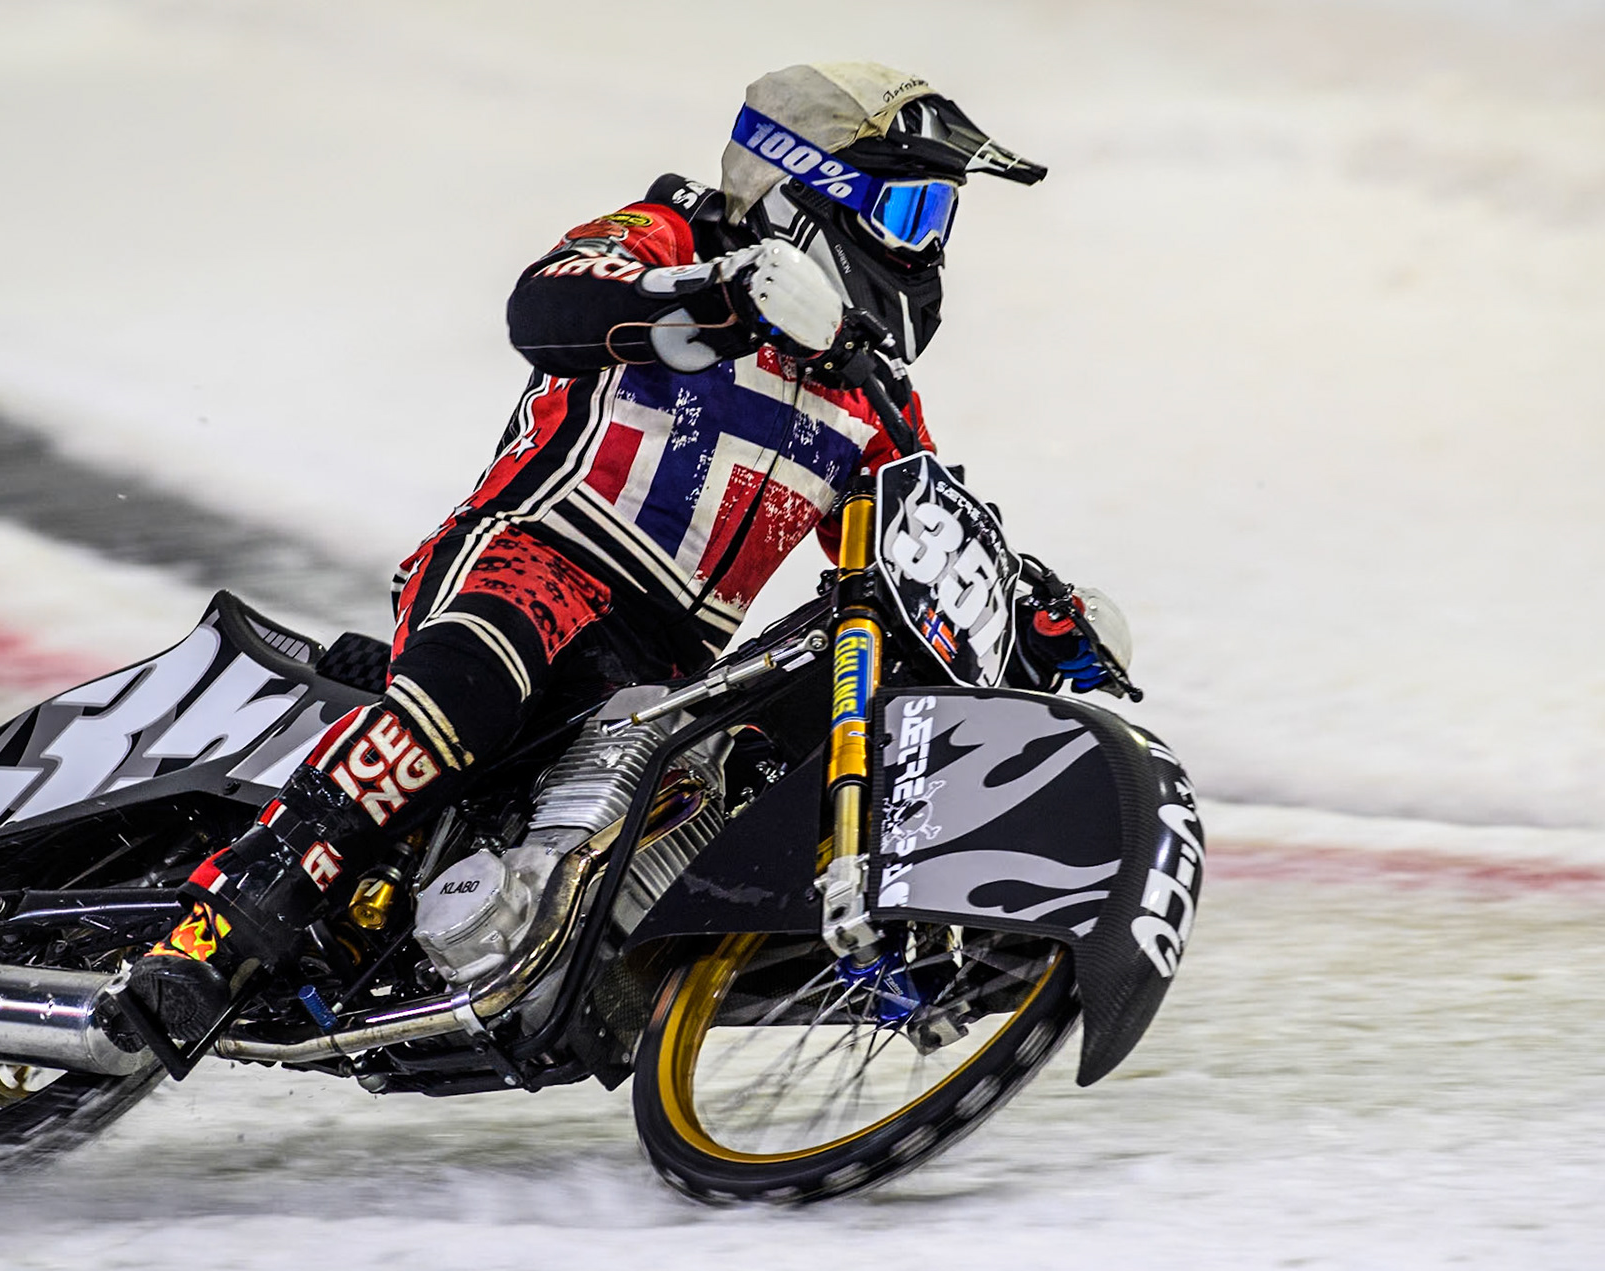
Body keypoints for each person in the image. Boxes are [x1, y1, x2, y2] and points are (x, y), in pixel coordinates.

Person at [126, 61, 1074, 1038]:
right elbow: (545, 308)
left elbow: (912, 532)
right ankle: (214, 931)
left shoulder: (871, 389)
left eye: (940, 222)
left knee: (756, 762)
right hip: (538, 556)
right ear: (808, 186)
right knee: (473, 689)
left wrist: (1027, 608)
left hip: (665, 665)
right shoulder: (671, 233)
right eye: (909, 212)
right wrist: (719, 301)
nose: (926, 250)